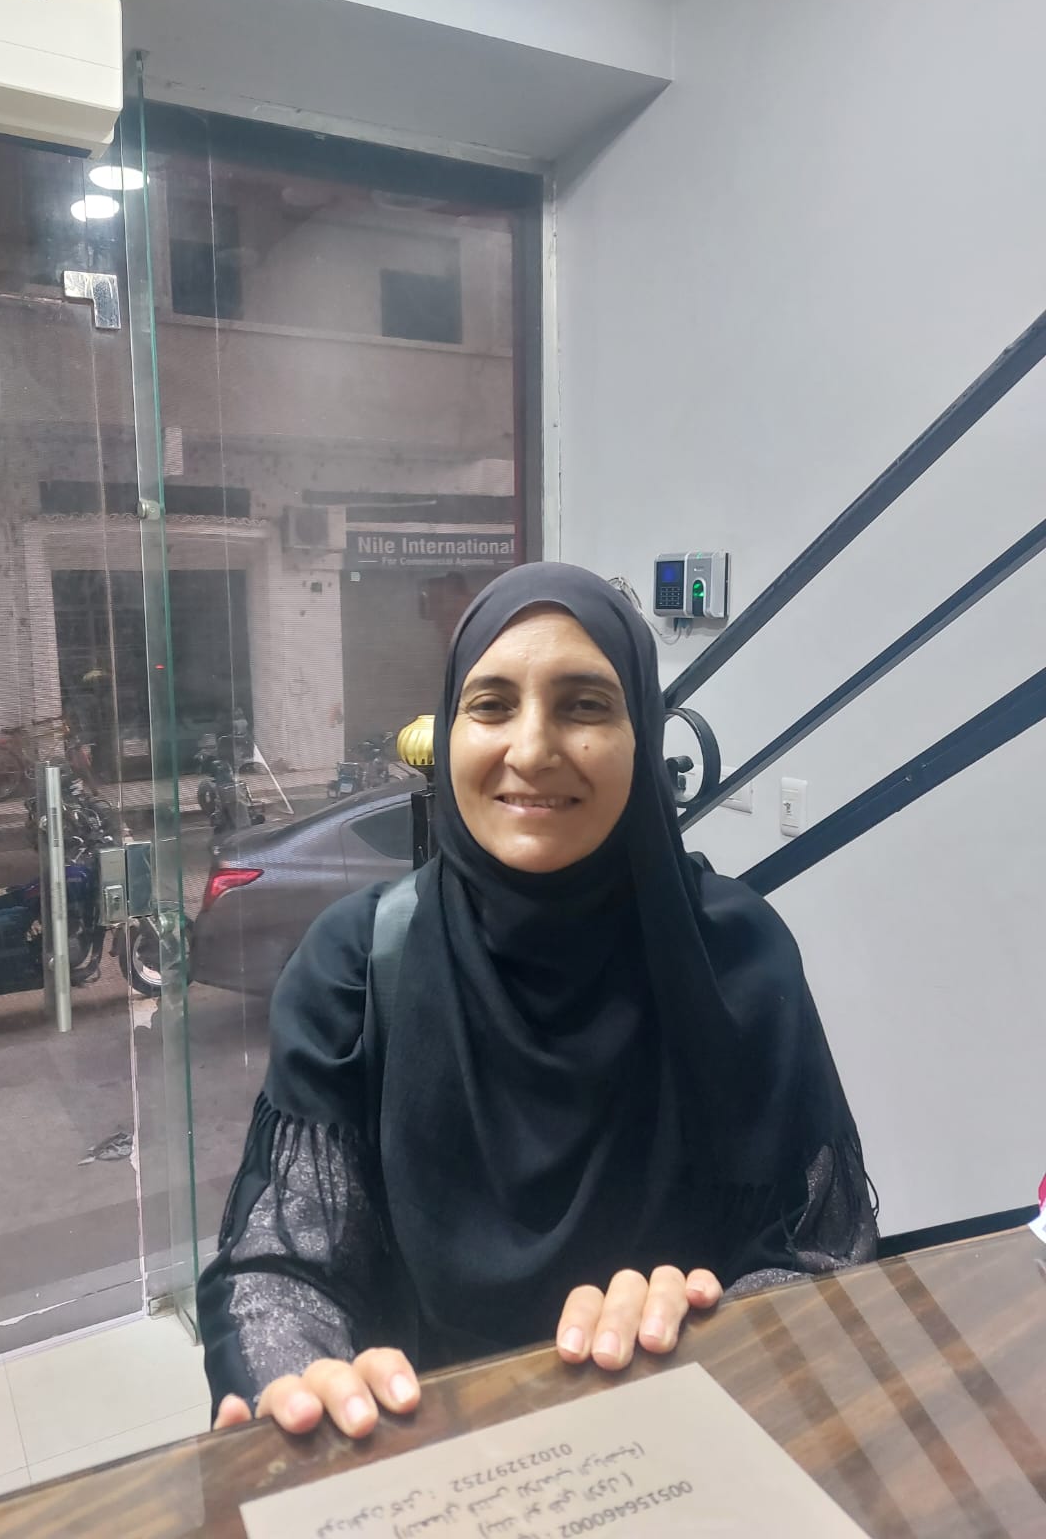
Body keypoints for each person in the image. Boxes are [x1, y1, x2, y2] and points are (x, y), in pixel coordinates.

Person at [198, 563, 877, 1438]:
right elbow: (281, 1263)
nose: (530, 750)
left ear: (643, 733)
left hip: (690, 1440)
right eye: (490, 706)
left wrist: (715, 1325)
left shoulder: (742, 960)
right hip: (434, 1452)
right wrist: (305, 1384)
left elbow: (825, 1253)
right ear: (449, 733)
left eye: (585, 706)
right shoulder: (355, 966)